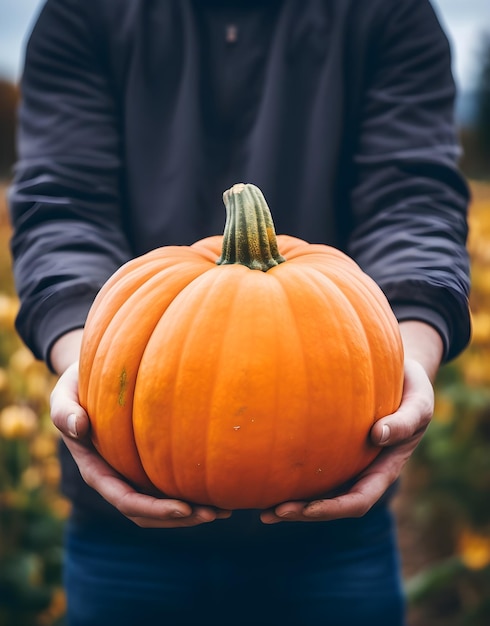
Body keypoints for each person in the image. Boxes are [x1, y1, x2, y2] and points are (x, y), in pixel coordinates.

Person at [8, 0, 471, 624]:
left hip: (334, 519)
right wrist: (89, 364)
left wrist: (408, 358)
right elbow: (63, 207)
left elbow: (412, 199)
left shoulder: (389, 12)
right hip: (126, 523)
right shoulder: (82, 13)